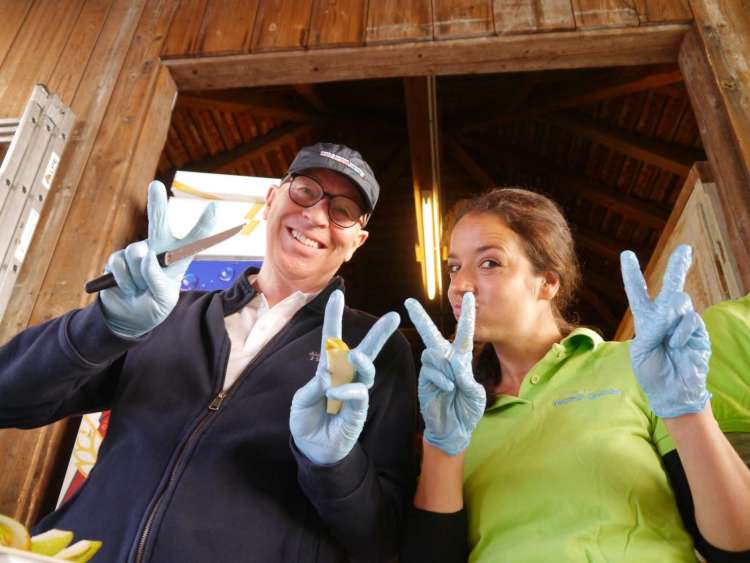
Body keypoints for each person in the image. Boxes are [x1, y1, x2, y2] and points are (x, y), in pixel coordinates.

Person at [0, 143, 417, 562]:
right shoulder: (166, 312)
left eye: (343, 211)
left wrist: (335, 466)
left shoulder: (372, 353)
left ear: (357, 242)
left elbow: (380, 541)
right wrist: (103, 326)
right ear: (272, 199)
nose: (316, 215)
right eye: (305, 191)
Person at [399, 187, 750, 562]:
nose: (459, 285)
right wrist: (442, 448)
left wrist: (687, 410)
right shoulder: (456, 412)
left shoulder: (635, 367)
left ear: (548, 282)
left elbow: (737, 546)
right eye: (454, 267)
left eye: (489, 263)